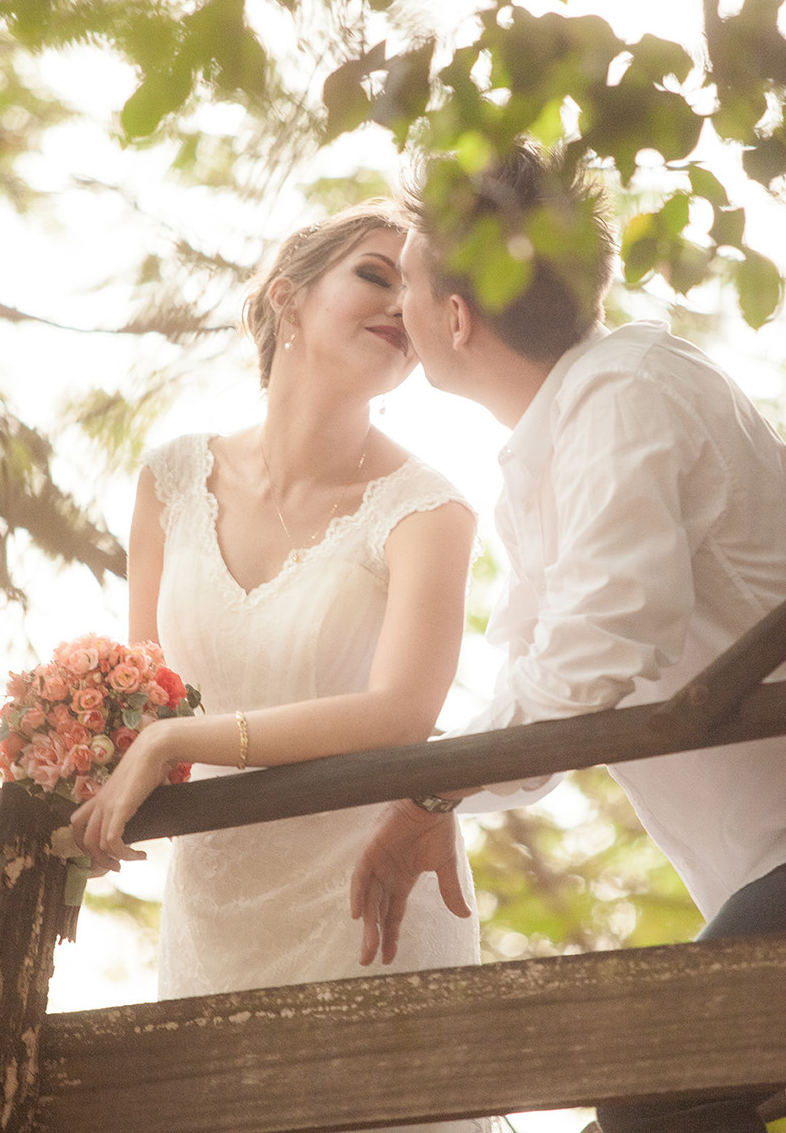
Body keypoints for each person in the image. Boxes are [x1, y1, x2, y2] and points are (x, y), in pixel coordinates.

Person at [350, 142, 786, 1133]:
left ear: (453, 320)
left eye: (406, 279)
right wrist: (447, 784)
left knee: (646, 1098)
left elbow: (594, 652)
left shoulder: (625, 394)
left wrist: (435, 787)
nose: (398, 306)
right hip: (759, 876)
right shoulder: (554, 449)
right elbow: (545, 687)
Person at [70, 198, 503, 1133]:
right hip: (217, 911)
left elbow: (403, 712)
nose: (401, 302)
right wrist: (94, 783)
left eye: (420, 287)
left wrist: (176, 736)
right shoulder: (169, 480)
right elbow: (146, 699)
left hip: (367, 905)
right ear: (288, 300)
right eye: (374, 274)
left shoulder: (431, 508)